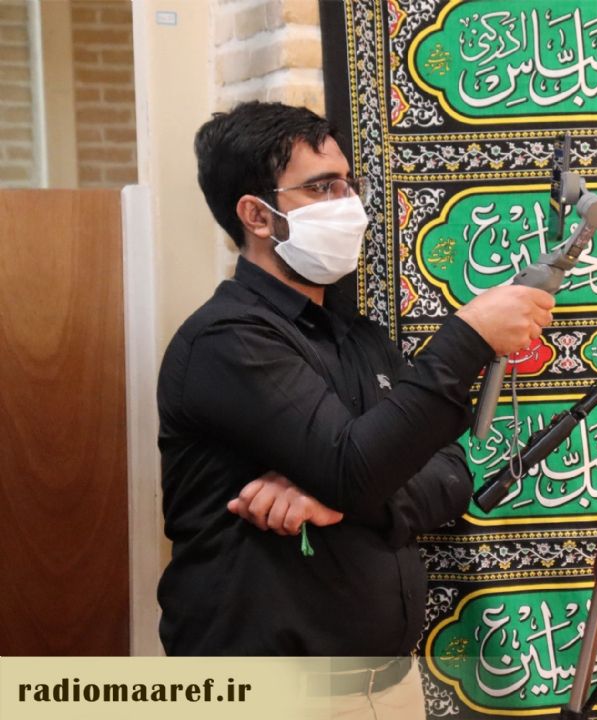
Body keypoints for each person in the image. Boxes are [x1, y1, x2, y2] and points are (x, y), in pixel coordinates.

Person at [156, 101, 553, 677]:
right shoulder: (228, 340)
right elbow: (355, 467)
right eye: (321, 188)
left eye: (348, 184)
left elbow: (450, 474)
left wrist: (338, 498)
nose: (347, 204)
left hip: (383, 686)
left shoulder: (359, 337)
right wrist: (468, 337)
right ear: (257, 215)